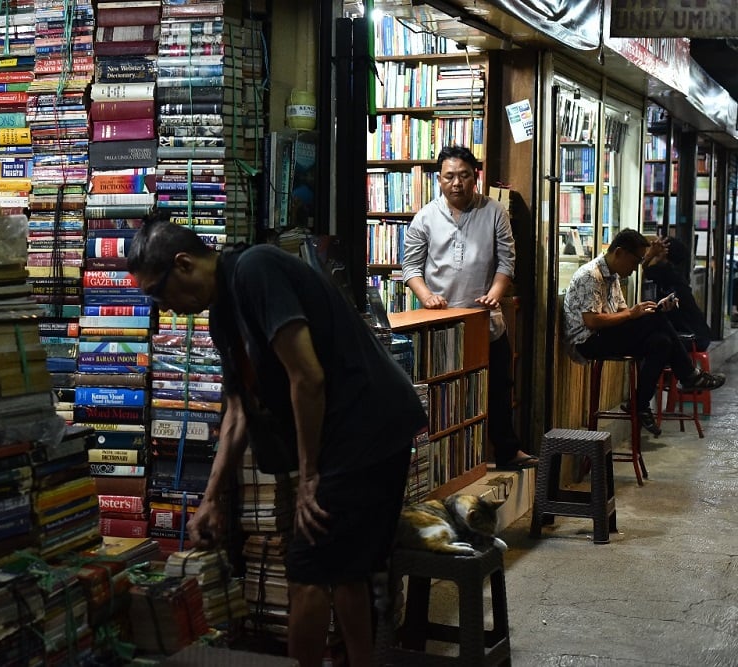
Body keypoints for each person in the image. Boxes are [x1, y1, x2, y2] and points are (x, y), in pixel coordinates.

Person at [127, 219, 426, 667]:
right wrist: (210, 499)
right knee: (344, 569)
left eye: (157, 292)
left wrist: (308, 479)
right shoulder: (221, 315)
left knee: (308, 568)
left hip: (367, 426)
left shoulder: (255, 269)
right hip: (349, 433)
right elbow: (236, 414)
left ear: (183, 264)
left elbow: (307, 376)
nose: (164, 307)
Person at [401, 145, 536, 470]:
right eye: (449, 177)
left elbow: (507, 261)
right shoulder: (426, 216)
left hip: (485, 320)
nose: (456, 183)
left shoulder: (494, 212)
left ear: (475, 176)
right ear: (439, 179)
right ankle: (433, 461)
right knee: (438, 392)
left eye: (463, 176)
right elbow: (410, 266)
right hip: (438, 323)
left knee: (499, 387)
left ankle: (506, 451)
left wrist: (495, 293)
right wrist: (426, 297)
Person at [563, 229, 725, 436]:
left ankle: (639, 404)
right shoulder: (591, 275)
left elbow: (622, 312)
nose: (635, 268)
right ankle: (687, 375)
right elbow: (592, 321)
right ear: (619, 253)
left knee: (662, 341)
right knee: (655, 320)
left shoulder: (611, 276)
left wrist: (643, 311)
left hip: (605, 334)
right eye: (635, 261)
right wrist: (634, 314)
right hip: (587, 341)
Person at [643, 236, 711, 352]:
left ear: (663, 254)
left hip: (692, 337)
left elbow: (640, 272)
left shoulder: (663, 272)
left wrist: (650, 256)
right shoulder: (674, 274)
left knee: (653, 342)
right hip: (699, 335)